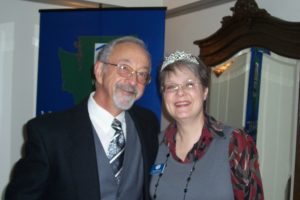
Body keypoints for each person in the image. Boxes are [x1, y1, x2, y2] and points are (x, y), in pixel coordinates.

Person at [5, 36, 160, 200]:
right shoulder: (48, 133)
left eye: (142, 74)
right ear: (99, 72)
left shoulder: (148, 123)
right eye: (124, 68)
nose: (133, 81)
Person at [149, 51, 264, 200]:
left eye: (189, 84)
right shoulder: (155, 143)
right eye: (171, 87)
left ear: (205, 92)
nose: (180, 93)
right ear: (163, 95)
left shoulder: (235, 142)